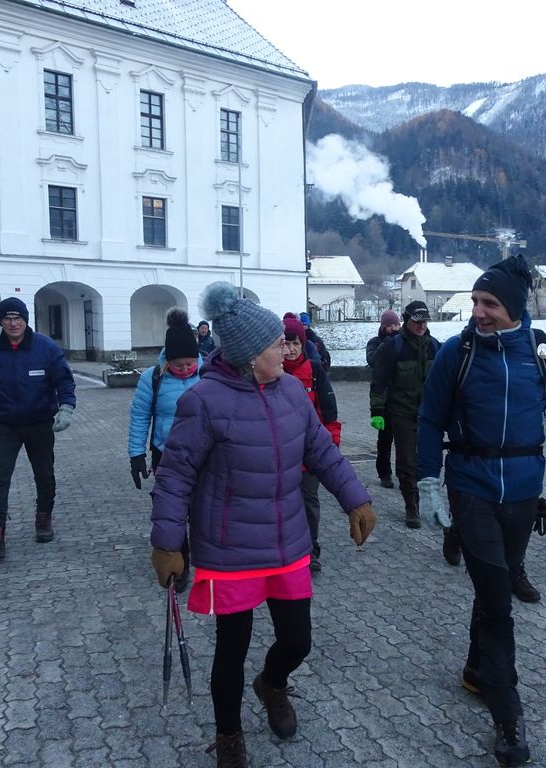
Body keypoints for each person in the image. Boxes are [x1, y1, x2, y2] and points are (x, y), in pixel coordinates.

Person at [149, 282, 376, 767]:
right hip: (229, 548)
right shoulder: (204, 401)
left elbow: (321, 450)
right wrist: (168, 543)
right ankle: (229, 734)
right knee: (231, 649)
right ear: (252, 356)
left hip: (287, 539)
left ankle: (271, 683)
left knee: (298, 640)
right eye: (277, 343)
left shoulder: (292, 390)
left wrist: (355, 499)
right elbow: (174, 476)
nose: (287, 349)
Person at [416, 255, 546, 767]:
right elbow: (429, 419)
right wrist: (429, 484)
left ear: (514, 307)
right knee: (498, 599)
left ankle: (477, 669)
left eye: (489, 303)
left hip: (522, 491)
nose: (478, 311)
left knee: (494, 587)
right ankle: (507, 713)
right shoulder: (457, 354)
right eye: (475, 301)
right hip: (470, 487)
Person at [0, 297, 76, 559]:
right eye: (7, 318)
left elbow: (64, 381)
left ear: (26, 320)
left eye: (17, 318)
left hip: (39, 423)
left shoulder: (46, 348)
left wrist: (66, 408)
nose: (13, 323)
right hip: (4, 426)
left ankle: (43, 519)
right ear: (0, 321)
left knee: (44, 474)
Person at [127, 308, 202, 592]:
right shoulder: (153, 378)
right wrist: (136, 454)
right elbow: (140, 416)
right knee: (172, 514)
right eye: (178, 365)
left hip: (205, 455)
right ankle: (179, 565)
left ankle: (209, 560)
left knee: (202, 511)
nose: (184, 369)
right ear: (167, 360)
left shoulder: (209, 374)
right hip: (167, 455)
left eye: (189, 364)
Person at [369, 300, 440, 528]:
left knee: (427, 460)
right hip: (401, 412)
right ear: (407, 321)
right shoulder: (393, 347)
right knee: (407, 461)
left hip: (428, 415)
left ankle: (427, 498)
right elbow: (379, 381)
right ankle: (411, 506)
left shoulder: (435, 347)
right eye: (417, 321)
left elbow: (445, 382)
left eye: (424, 321)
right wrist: (377, 411)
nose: (421, 326)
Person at [282, 314, 342, 574]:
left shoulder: (315, 371)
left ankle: (310, 549)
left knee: (308, 501)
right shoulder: (271, 372)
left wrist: (332, 444)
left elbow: (329, 411)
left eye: (295, 343)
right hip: (281, 454)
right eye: (285, 343)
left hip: (310, 452)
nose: (291, 349)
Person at [365, 310, 402, 488]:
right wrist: (386, 344)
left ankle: (405, 473)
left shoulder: (403, 341)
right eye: (390, 325)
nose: (394, 328)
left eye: (396, 325)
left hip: (401, 398)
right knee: (385, 439)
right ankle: (384, 473)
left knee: (405, 440)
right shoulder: (375, 342)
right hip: (383, 398)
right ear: (383, 326)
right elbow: (372, 360)